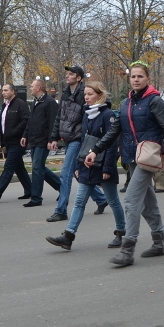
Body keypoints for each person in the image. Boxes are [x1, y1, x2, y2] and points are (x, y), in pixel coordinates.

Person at [84, 62, 164, 267]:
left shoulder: (154, 101)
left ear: (148, 79)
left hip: (148, 156)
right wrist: (95, 150)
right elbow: (114, 131)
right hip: (132, 156)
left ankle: (127, 249)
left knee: (131, 201)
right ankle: (159, 240)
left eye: (140, 76)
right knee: (147, 202)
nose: (136, 80)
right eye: (133, 76)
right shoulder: (126, 103)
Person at [46, 81, 126, 250]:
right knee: (79, 201)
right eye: (85, 94)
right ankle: (68, 236)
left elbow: (112, 143)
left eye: (90, 94)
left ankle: (121, 231)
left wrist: (107, 168)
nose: (86, 97)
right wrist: (78, 164)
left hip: (103, 165)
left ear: (99, 95)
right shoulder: (87, 113)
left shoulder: (107, 115)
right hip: (87, 164)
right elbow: (83, 141)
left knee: (113, 201)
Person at [46, 66, 107, 221]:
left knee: (65, 173)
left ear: (78, 78)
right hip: (67, 138)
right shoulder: (66, 93)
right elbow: (59, 117)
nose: (67, 76)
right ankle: (101, 199)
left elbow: (95, 113)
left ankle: (61, 210)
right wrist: (53, 137)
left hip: (78, 139)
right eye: (67, 73)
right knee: (77, 173)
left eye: (71, 74)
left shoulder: (84, 94)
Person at [0, 84, 32, 203]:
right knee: (19, 167)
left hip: (18, 141)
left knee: (9, 167)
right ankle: (30, 190)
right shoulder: (5, 105)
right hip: (8, 142)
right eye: (3, 90)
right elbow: (0, 124)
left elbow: (26, 121)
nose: (3, 93)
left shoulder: (21, 104)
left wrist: (14, 132)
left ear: (13, 91)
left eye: (6, 90)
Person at [22, 79, 61, 208]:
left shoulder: (49, 102)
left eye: (32, 86)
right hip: (34, 139)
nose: (30, 88)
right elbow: (31, 121)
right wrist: (25, 135)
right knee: (39, 168)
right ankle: (62, 187)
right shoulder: (35, 102)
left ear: (38, 88)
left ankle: (36, 197)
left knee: (37, 168)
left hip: (43, 141)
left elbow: (53, 123)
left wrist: (52, 139)